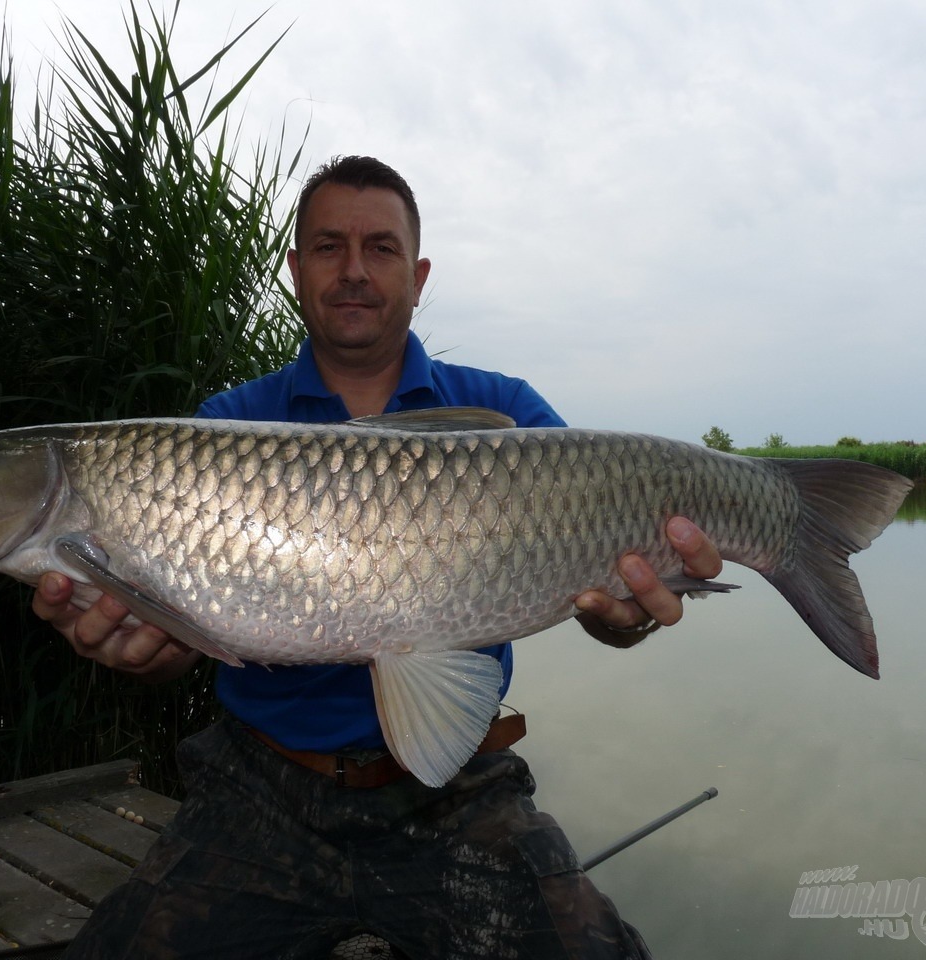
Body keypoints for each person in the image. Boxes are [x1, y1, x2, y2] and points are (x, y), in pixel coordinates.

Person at [38, 156, 723, 959]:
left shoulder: (509, 417)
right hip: (260, 786)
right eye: (328, 247)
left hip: (456, 786)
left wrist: (628, 618)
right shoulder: (227, 429)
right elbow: (178, 646)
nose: (354, 270)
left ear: (419, 273)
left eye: (381, 248)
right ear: (295, 271)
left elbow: (604, 604)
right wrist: (141, 653)